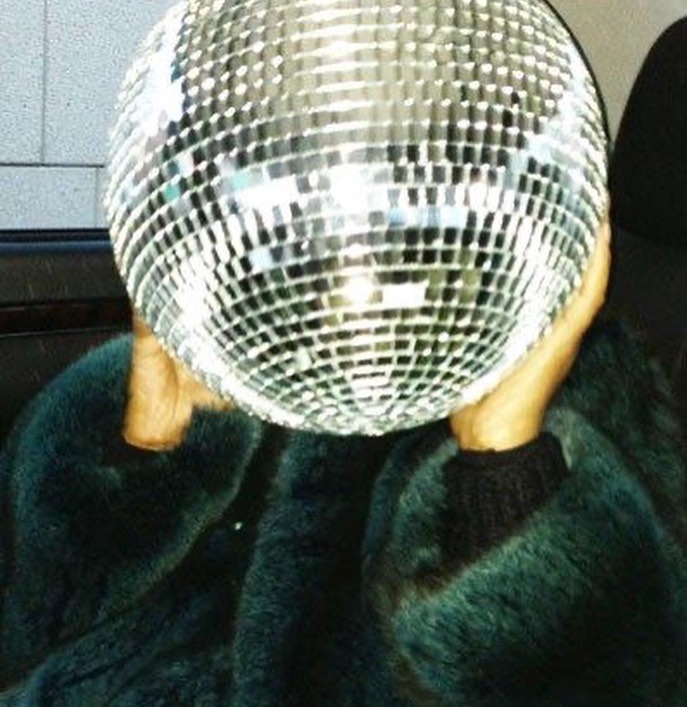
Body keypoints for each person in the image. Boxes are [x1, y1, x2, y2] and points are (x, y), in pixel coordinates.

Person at [0, 218, 685, 706]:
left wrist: (501, 460)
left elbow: (611, 678)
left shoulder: (579, 388)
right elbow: (36, 631)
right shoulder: (239, 340)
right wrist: (154, 451)